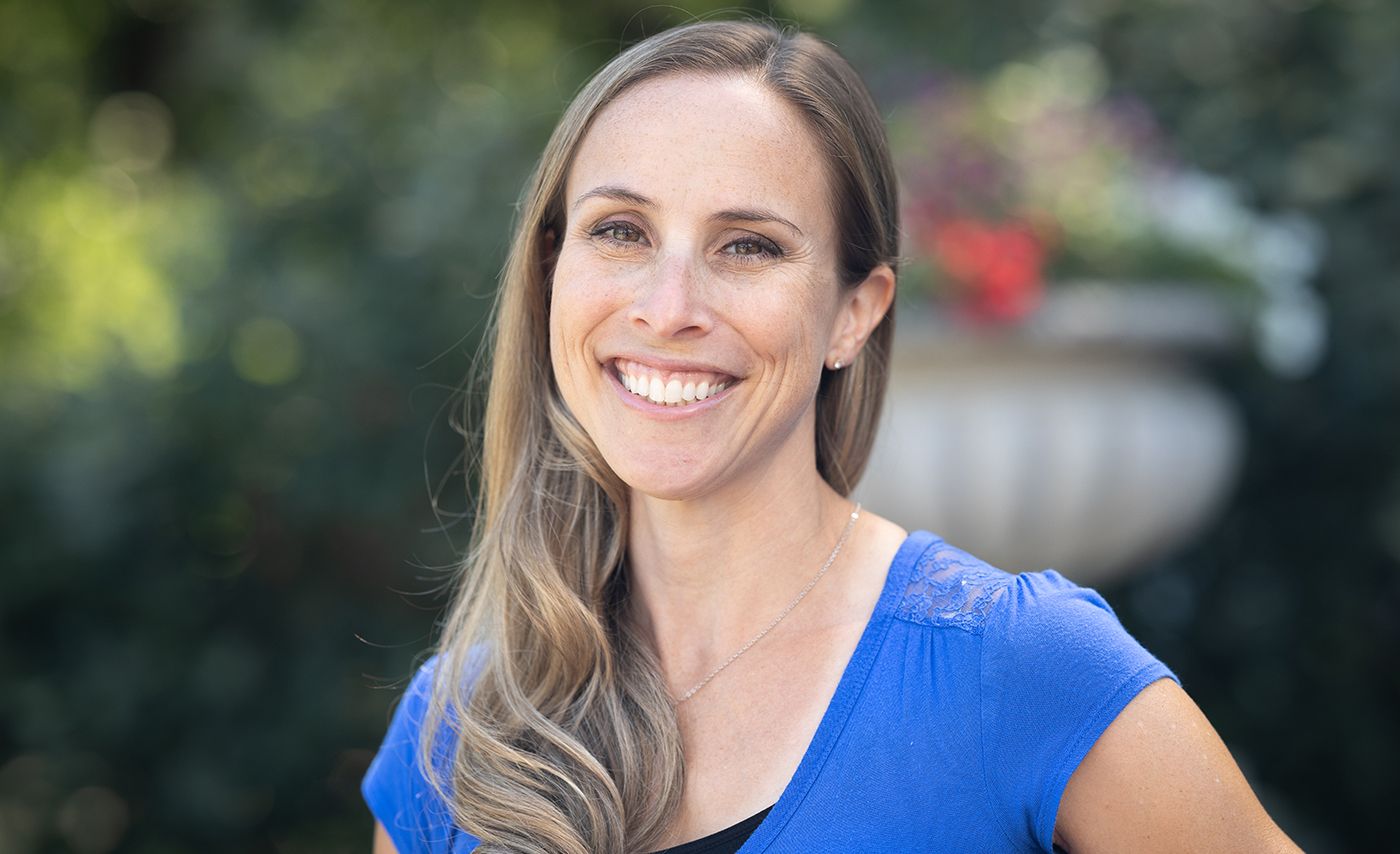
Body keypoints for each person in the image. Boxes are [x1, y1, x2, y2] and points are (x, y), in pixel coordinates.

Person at [362, 19, 1301, 854]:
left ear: (856, 312)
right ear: (551, 269)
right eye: (620, 231)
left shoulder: (1020, 669)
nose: (668, 308)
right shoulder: (459, 732)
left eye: (749, 246)